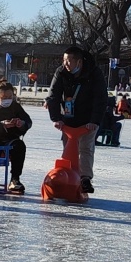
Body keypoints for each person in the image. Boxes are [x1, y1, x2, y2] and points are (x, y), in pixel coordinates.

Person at [45, 46, 108, 194]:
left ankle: (85, 178)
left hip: (88, 119)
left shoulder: (93, 73)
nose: (65, 64)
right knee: (68, 147)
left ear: (78, 62)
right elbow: (53, 95)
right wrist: (56, 118)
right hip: (68, 118)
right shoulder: (61, 72)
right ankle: (65, 175)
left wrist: (94, 121)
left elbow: (101, 98)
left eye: (69, 61)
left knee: (86, 148)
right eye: (64, 60)